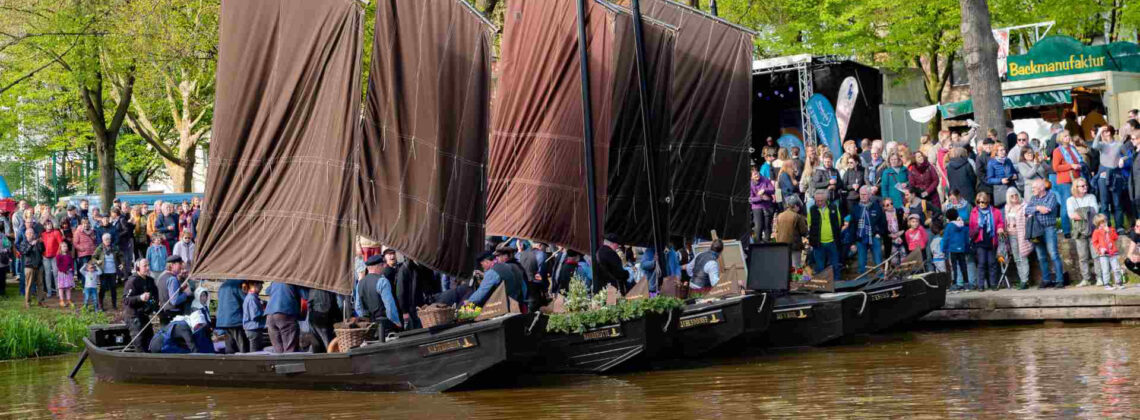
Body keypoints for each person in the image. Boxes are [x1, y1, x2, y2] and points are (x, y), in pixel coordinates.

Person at [1026, 180, 1065, 288]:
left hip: (1049, 228)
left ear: (1041, 188)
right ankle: (1046, 279)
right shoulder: (1033, 198)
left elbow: (1048, 209)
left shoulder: (1051, 196)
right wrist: (1038, 208)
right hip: (1036, 230)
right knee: (1041, 256)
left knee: (1053, 254)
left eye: (1034, 187)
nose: (1032, 189)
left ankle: (1060, 280)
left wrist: (1035, 210)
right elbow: (1027, 210)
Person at [1091, 125, 1127, 230]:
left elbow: (1127, 154)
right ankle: (1106, 226)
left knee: (1117, 203)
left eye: (1105, 131)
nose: (1103, 132)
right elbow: (1094, 146)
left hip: (1116, 175)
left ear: (1109, 132)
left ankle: (1119, 226)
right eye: (1102, 131)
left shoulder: (1119, 144)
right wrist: (1098, 133)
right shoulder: (1102, 145)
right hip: (1103, 176)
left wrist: (1122, 159)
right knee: (1104, 203)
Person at [969, 192, 1004, 291]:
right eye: (978, 202)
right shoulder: (974, 212)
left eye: (983, 202)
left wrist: (1000, 228)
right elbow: (971, 229)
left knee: (992, 263)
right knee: (981, 263)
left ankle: (993, 284)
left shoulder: (995, 211)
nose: (980, 204)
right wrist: (976, 228)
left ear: (987, 202)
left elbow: (1001, 222)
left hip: (991, 240)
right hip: (980, 241)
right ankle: (980, 285)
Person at [1067, 177, 1098, 287]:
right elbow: (1072, 215)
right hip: (1079, 231)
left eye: (1086, 185)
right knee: (1083, 257)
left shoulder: (1091, 197)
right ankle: (1086, 279)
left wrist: (1080, 213)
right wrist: (1086, 212)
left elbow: (1095, 212)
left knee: (1096, 255)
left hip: (1092, 228)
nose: (1085, 187)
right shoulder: (1070, 200)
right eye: (1082, 186)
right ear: (1076, 188)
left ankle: (1100, 277)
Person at [356, 255, 401, 332]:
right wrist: (396, 321)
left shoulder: (360, 284)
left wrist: (366, 322)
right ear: (378, 267)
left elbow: (358, 307)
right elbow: (389, 305)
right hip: (385, 325)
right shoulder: (382, 281)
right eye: (382, 265)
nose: (384, 267)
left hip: (370, 326)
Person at [1052, 132, 1085, 237]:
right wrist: (1071, 166)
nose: (1068, 137)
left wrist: (1080, 165)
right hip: (1065, 181)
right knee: (1066, 205)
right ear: (1060, 139)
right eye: (1065, 136)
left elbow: (1079, 160)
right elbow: (1056, 167)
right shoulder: (1057, 151)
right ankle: (1066, 231)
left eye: (1068, 135)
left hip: (1076, 179)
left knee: (1078, 204)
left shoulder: (1073, 148)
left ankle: (1081, 228)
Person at [122, 258, 159, 352]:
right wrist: (140, 298)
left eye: (148, 265)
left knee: (151, 342)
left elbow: (153, 298)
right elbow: (126, 300)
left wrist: (155, 307)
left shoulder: (150, 280)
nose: (147, 268)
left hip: (145, 315)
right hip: (133, 317)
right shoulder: (132, 281)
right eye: (145, 266)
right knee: (140, 343)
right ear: (137, 267)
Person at [848, 186, 885, 273]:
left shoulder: (876, 207)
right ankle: (862, 281)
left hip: (874, 236)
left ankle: (880, 278)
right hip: (860, 238)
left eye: (865, 194)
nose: (863, 196)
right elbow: (852, 226)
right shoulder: (855, 208)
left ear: (869, 195)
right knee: (861, 263)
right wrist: (852, 242)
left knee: (878, 260)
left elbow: (883, 222)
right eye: (861, 194)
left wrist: (879, 233)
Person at [808, 189, 843, 277]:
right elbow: (809, 225)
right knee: (820, 267)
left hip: (832, 242)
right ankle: (823, 284)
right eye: (817, 201)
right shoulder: (812, 210)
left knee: (835, 265)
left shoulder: (833, 207)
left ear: (826, 199)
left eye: (821, 201)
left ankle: (837, 284)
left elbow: (839, 222)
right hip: (818, 243)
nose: (819, 203)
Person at [265, 281, 307, 353]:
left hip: (270, 315)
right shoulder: (294, 280)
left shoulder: (276, 280)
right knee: (289, 349)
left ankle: (279, 363)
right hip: (285, 313)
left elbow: (267, 291)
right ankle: (290, 363)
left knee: (278, 349)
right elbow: (306, 295)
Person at [1003, 188, 1033, 289]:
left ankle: (1025, 280)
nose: (1014, 197)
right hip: (1011, 236)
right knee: (1017, 258)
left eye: (1016, 195)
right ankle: (1022, 279)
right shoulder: (1007, 207)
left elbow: (1029, 217)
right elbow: (1006, 221)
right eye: (1012, 196)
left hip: (1021, 234)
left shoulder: (1024, 205)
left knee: (1023, 256)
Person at [149, 311, 213, 354]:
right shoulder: (184, 327)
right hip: (159, 346)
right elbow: (191, 345)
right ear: (195, 322)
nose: (199, 328)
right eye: (199, 325)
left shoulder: (185, 322)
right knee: (186, 352)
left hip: (160, 343)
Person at [1090, 214, 1125, 290]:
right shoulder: (1096, 232)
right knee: (1105, 269)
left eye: (1105, 221)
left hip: (1113, 253)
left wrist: (1109, 232)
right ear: (1098, 224)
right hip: (1103, 254)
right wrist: (1100, 249)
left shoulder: (1111, 229)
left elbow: (1115, 237)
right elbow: (1094, 242)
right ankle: (1107, 284)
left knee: (1116, 268)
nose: (1104, 223)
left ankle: (1118, 282)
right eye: (1101, 222)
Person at [775, 197, 809, 269]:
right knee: (795, 268)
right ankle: (795, 280)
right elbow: (804, 231)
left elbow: (776, 231)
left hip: (781, 245)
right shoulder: (797, 216)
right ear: (795, 206)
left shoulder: (779, 216)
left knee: (784, 267)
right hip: (794, 245)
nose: (799, 208)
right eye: (798, 206)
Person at [156, 255, 190, 324]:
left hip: (163, 312)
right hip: (172, 314)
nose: (181, 266)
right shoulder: (172, 279)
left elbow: (166, 293)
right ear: (172, 265)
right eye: (179, 264)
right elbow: (174, 301)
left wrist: (180, 289)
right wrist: (186, 293)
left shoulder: (161, 276)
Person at [216, 279, 248, 354]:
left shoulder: (223, 285)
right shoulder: (238, 284)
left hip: (223, 321)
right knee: (242, 346)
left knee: (229, 345)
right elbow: (245, 300)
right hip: (234, 319)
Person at [307, 287, 341, 353]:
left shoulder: (313, 285)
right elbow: (331, 305)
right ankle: (330, 361)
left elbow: (309, 303)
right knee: (328, 345)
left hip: (313, 315)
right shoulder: (327, 286)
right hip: (323, 316)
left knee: (316, 344)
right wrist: (340, 319)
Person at [17, 228, 45, 308]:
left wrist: (41, 243)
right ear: (26, 235)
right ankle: (28, 303)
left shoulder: (37, 242)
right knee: (29, 285)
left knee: (40, 284)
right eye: (29, 233)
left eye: (32, 233)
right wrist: (31, 245)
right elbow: (24, 252)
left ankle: (41, 301)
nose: (31, 234)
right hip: (29, 267)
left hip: (39, 265)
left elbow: (43, 250)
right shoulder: (23, 243)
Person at [750, 166, 777, 243]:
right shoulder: (750, 184)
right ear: (751, 177)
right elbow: (751, 199)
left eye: (757, 173)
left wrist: (764, 190)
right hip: (757, 207)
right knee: (758, 226)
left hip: (767, 206)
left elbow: (772, 189)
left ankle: (767, 240)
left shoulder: (765, 180)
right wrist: (761, 198)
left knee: (767, 225)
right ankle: (758, 241)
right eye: (754, 174)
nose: (757, 175)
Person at [243, 281, 268, 352]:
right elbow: (255, 315)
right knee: (254, 352)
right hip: (253, 329)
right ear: (255, 284)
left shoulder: (253, 297)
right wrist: (267, 312)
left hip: (253, 329)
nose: (262, 287)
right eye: (260, 284)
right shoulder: (252, 298)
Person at [40, 220, 63, 298]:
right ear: (44, 226)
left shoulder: (56, 232)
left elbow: (61, 244)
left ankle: (58, 291)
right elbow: (41, 245)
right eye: (47, 224)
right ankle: (49, 291)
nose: (49, 225)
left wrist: (57, 254)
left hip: (54, 256)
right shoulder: (43, 234)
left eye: (50, 224)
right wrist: (43, 254)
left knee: (56, 274)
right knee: (47, 274)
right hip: (45, 257)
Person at [55, 242, 74, 308]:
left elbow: (72, 263)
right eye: (63, 246)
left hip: (69, 273)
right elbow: (58, 265)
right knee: (61, 287)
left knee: (68, 287)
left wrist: (71, 269)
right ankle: (61, 300)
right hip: (62, 273)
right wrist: (64, 270)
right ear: (60, 248)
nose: (65, 247)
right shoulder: (58, 256)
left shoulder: (69, 256)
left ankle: (68, 300)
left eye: (66, 246)